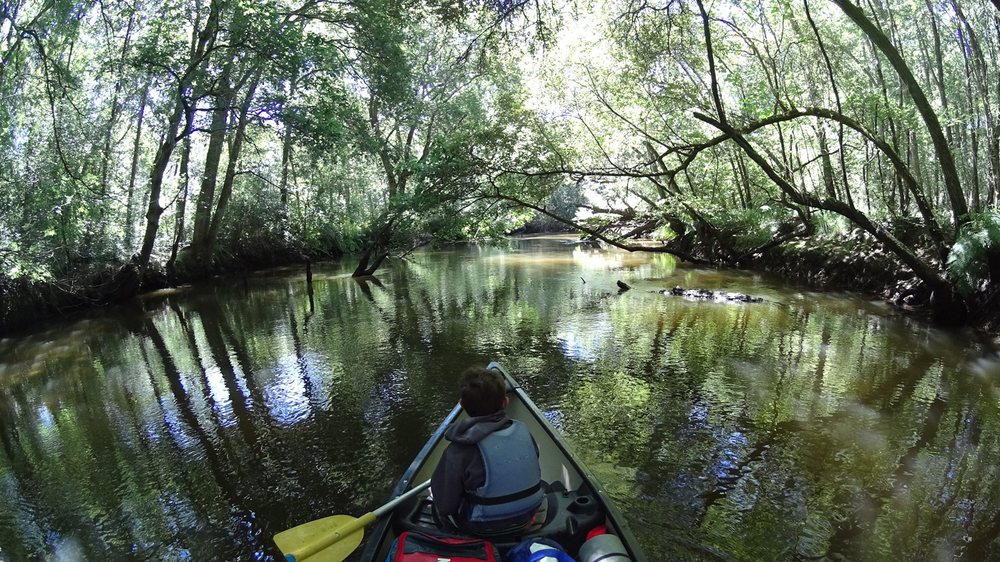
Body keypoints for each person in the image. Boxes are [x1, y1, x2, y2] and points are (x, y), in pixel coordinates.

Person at [430, 366, 544, 534]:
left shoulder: (458, 450)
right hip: (527, 516)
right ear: (505, 402)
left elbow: (445, 506)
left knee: (438, 506)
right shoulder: (524, 432)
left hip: (480, 527)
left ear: (462, 405)